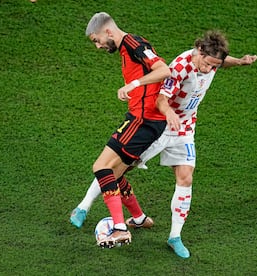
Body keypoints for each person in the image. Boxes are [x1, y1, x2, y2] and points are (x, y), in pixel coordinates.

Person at [71, 29, 257, 257]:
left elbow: (221, 61)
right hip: (161, 125)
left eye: (214, 66)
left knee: (185, 178)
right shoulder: (181, 66)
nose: (209, 70)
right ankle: (84, 206)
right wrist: (169, 113)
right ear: (199, 51)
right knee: (115, 170)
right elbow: (161, 99)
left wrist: (240, 62)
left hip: (185, 128)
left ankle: (174, 237)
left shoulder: (212, 61)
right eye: (207, 64)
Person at [81, 12, 179, 249]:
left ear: (108, 31)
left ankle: (119, 229)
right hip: (144, 120)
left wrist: (133, 85)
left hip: (143, 121)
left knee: (101, 167)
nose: (98, 46)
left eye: (97, 40)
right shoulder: (127, 48)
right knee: (114, 175)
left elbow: (164, 70)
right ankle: (138, 218)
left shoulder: (134, 44)